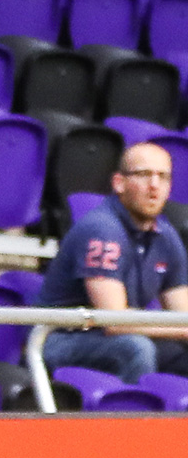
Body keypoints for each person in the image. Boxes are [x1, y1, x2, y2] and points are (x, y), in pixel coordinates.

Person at [36, 142, 188, 382]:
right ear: (119, 183)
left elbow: (182, 314)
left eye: (163, 177)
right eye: (144, 175)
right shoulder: (102, 229)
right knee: (136, 349)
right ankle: (132, 418)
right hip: (59, 339)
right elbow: (114, 321)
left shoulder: (166, 236)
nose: (154, 186)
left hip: (116, 337)